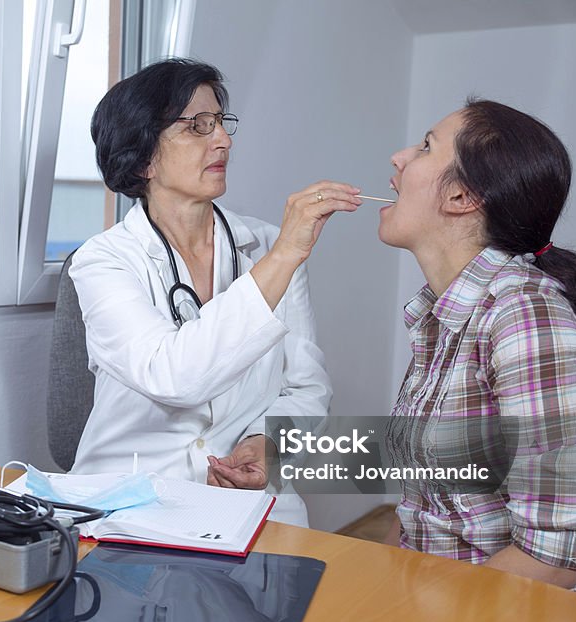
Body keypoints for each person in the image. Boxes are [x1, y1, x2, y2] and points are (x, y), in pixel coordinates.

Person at [379, 97, 576, 616]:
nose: (398, 157)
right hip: (454, 609)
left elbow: (549, 559)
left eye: (424, 147)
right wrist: (379, 588)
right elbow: (424, 504)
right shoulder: (446, 314)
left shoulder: (524, 316)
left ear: (461, 195)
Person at [68, 58, 359, 526]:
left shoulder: (263, 245)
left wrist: (268, 443)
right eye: (197, 127)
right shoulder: (104, 261)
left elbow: (306, 386)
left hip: (248, 504)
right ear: (143, 157)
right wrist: (283, 256)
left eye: (221, 123)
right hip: (133, 504)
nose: (222, 139)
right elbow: (176, 376)